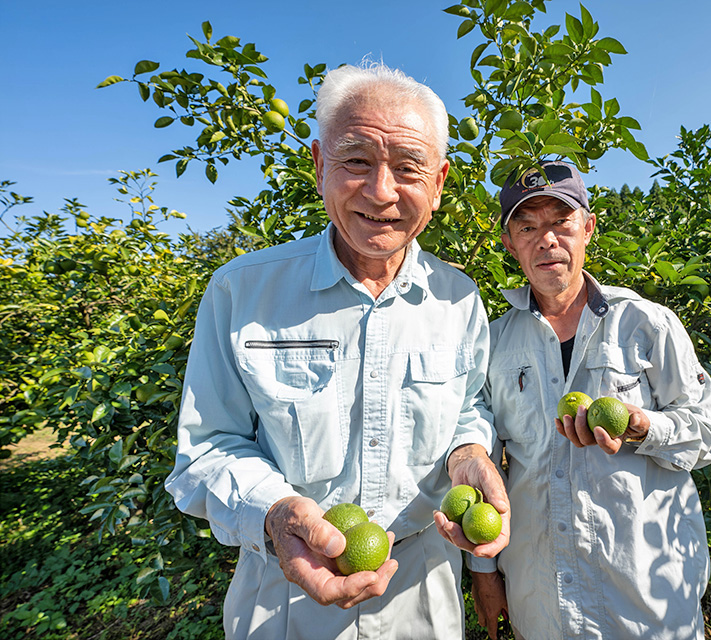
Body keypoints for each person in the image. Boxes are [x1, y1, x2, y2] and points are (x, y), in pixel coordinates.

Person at [165, 62, 509, 640]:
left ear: (439, 182)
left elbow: (466, 406)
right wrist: (275, 514)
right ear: (320, 164)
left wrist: (468, 456)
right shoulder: (242, 291)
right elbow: (206, 449)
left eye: (407, 168)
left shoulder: (459, 298)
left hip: (422, 587)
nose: (381, 192)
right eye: (356, 161)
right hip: (282, 595)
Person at [467, 161, 711, 640]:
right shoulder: (494, 343)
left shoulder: (647, 324)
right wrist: (484, 575)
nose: (545, 240)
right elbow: (483, 462)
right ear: (510, 244)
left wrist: (646, 427)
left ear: (588, 227)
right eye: (527, 227)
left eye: (560, 222)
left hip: (645, 599)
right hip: (544, 600)